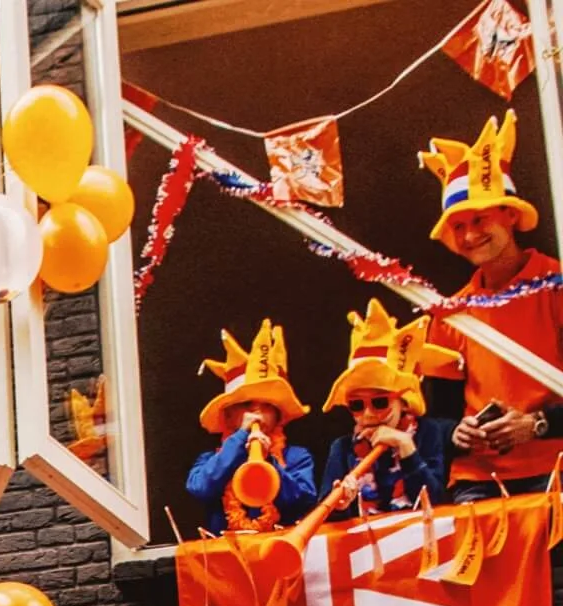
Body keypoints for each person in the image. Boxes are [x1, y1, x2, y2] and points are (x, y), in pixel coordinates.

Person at [420, 110, 563, 502]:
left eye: (479, 219)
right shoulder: (450, 313)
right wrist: (456, 433)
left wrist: (537, 424)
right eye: (458, 226)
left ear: (510, 215)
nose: (469, 235)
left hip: (555, 467)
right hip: (477, 478)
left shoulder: (556, 286)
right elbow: (438, 417)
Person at [320, 299, 462, 519]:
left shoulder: (430, 432)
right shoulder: (342, 448)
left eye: (380, 402)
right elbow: (324, 519)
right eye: (357, 405)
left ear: (403, 401)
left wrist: (406, 447)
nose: (368, 414)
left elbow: (436, 503)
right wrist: (341, 505)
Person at [187, 319, 316, 534]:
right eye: (247, 405)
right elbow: (200, 488)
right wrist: (239, 440)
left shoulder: (297, 457)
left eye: (266, 406)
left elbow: (303, 500)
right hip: (228, 551)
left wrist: (268, 461)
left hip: (280, 548)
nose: (256, 413)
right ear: (228, 416)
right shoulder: (210, 459)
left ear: (278, 416)